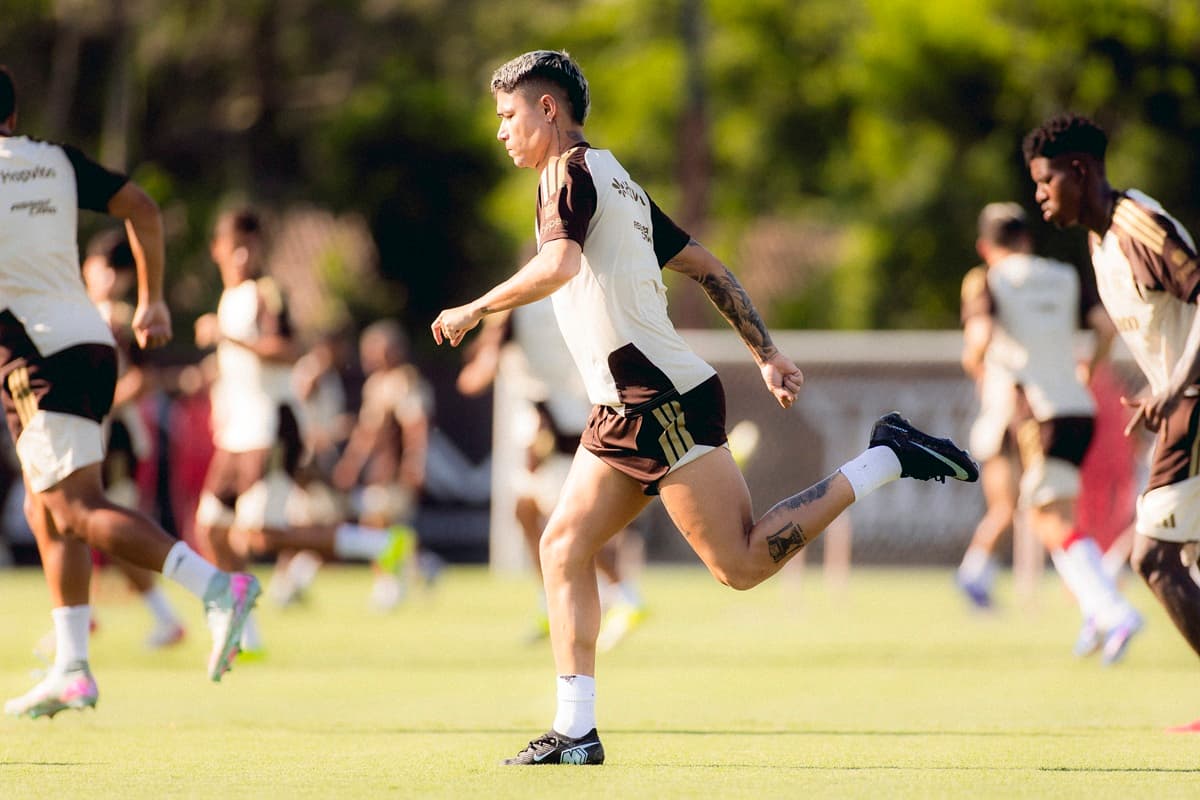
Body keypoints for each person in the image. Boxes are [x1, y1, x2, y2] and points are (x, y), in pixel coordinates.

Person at [431, 50, 979, 765]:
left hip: (661, 402)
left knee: (742, 565)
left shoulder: (567, 174)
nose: (502, 130)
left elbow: (562, 265)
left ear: (547, 109)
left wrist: (476, 306)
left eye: (508, 114)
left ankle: (887, 455)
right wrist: (765, 353)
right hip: (623, 407)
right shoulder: (615, 178)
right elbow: (709, 266)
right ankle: (575, 731)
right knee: (562, 546)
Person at [0, 66, 259, 719]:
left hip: (36, 359)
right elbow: (141, 206)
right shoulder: (52, 160)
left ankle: (217, 588)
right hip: (88, 340)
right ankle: (72, 667)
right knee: (44, 509)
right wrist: (151, 301)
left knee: (76, 507)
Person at [1024, 112, 1200, 729]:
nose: (1039, 197)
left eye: (1046, 182)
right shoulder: (1098, 238)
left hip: (1194, 407)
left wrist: (1176, 385)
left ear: (1080, 170)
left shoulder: (1135, 226)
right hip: (1182, 408)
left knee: (1154, 557)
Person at [958, 202, 1142, 661]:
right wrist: (1089, 369)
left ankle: (1113, 610)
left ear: (985, 247)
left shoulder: (988, 280)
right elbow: (1103, 328)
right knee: (1057, 516)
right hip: (1077, 408)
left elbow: (978, 340)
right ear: (1027, 239)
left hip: (1036, 413)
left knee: (1046, 519)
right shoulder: (1063, 275)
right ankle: (1096, 613)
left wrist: (977, 367)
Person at [456, 297, 647, 650]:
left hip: (549, 431)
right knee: (527, 512)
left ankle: (624, 595)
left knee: (568, 527)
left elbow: (478, 373)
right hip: (578, 419)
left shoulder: (513, 307)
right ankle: (552, 601)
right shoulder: (567, 302)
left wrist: (473, 350)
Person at [82, 229, 186, 648]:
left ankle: (168, 613)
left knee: (114, 528)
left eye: (114, 269)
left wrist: (101, 404)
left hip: (117, 439)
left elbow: (143, 378)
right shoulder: (80, 311)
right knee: (75, 523)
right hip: (90, 433)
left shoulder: (121, 320)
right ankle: (80, 616)